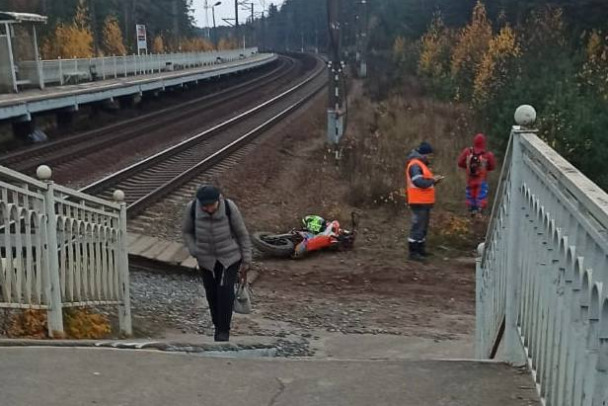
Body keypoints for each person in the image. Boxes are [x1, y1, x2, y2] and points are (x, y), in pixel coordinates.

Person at [182, 185, 252, 342]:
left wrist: (246, 260)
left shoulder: (229, 207)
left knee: (225, 292)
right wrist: (194, 250)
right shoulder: (192, 208)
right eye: (204, 206)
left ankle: (223, 331)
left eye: (211, 205)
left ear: (218, 200)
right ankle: (217, 325)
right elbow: (187, 231)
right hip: (206, 259)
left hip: (229, 257)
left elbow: (242, 234)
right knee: (211, 293)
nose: (208, 209)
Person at [405, 142, 444, 261]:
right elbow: (419, 182)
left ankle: (420, 249)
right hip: (418, 201)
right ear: (424, 154)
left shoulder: (420, 164)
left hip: (424, 201)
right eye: (430, 155)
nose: (431, 158)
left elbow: (422, 182)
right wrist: (433, 180)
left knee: (422, 227)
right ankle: (414, 252)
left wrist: (433, 181)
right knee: (418, 226)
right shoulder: (415, 165)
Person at [457, 133, 496, 215]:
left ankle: (471, 215)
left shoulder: (467, 152)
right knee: (480, 202)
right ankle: (479, 217)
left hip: (470, 181)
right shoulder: (487, 155)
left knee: (470, 202)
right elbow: (492, 166)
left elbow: (460, 163)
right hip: (481, 182)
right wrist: (483, 168)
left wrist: (468, 166)